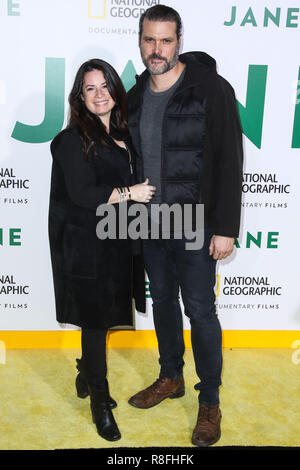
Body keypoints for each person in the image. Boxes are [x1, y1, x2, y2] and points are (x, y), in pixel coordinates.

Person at [127, 5, 243, 447]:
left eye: (166, 40)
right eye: (149, 40)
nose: (157, 50)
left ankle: (209, 400)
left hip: (196, 224)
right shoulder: (136, 94)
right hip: (152, 224)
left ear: (179, 41)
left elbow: (230, 160)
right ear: (140, 41)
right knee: (163, 306)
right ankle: (170, 376)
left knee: (201, 311)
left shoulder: (210, 88)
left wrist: (225, 227)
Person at [48, 58, 155, 442]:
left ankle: (84, 370)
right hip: (85, 245)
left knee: (106, 317)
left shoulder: (126, 132)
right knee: (95, 324)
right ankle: (99, 401)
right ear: (80, 96)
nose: (99, 95)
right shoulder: (70, 139)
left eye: (104, 85)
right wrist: (130, 193)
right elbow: (81, 194)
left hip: (118, 242)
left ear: (115, 89)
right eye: (89, 88)